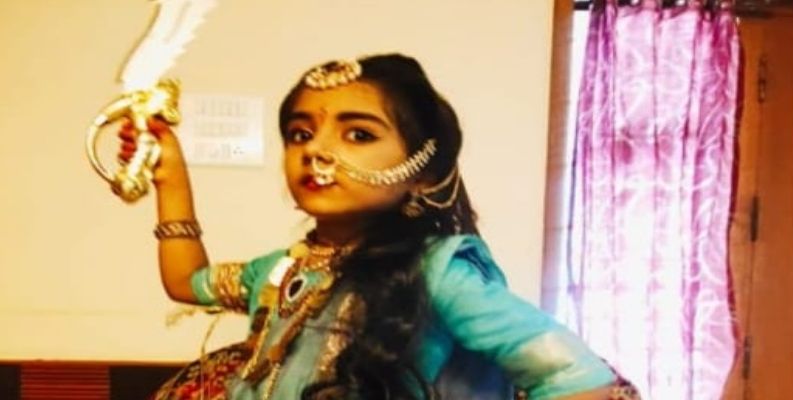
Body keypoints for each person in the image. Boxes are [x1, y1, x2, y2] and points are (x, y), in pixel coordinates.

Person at [118, 54, 640, 400]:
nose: (317, 150)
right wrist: (170, 177)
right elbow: (186, 282)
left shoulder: (437, 273)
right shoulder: (280, 271)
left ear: (423, 172)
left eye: (358, 135)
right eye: (300, 133)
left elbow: (577, 375)